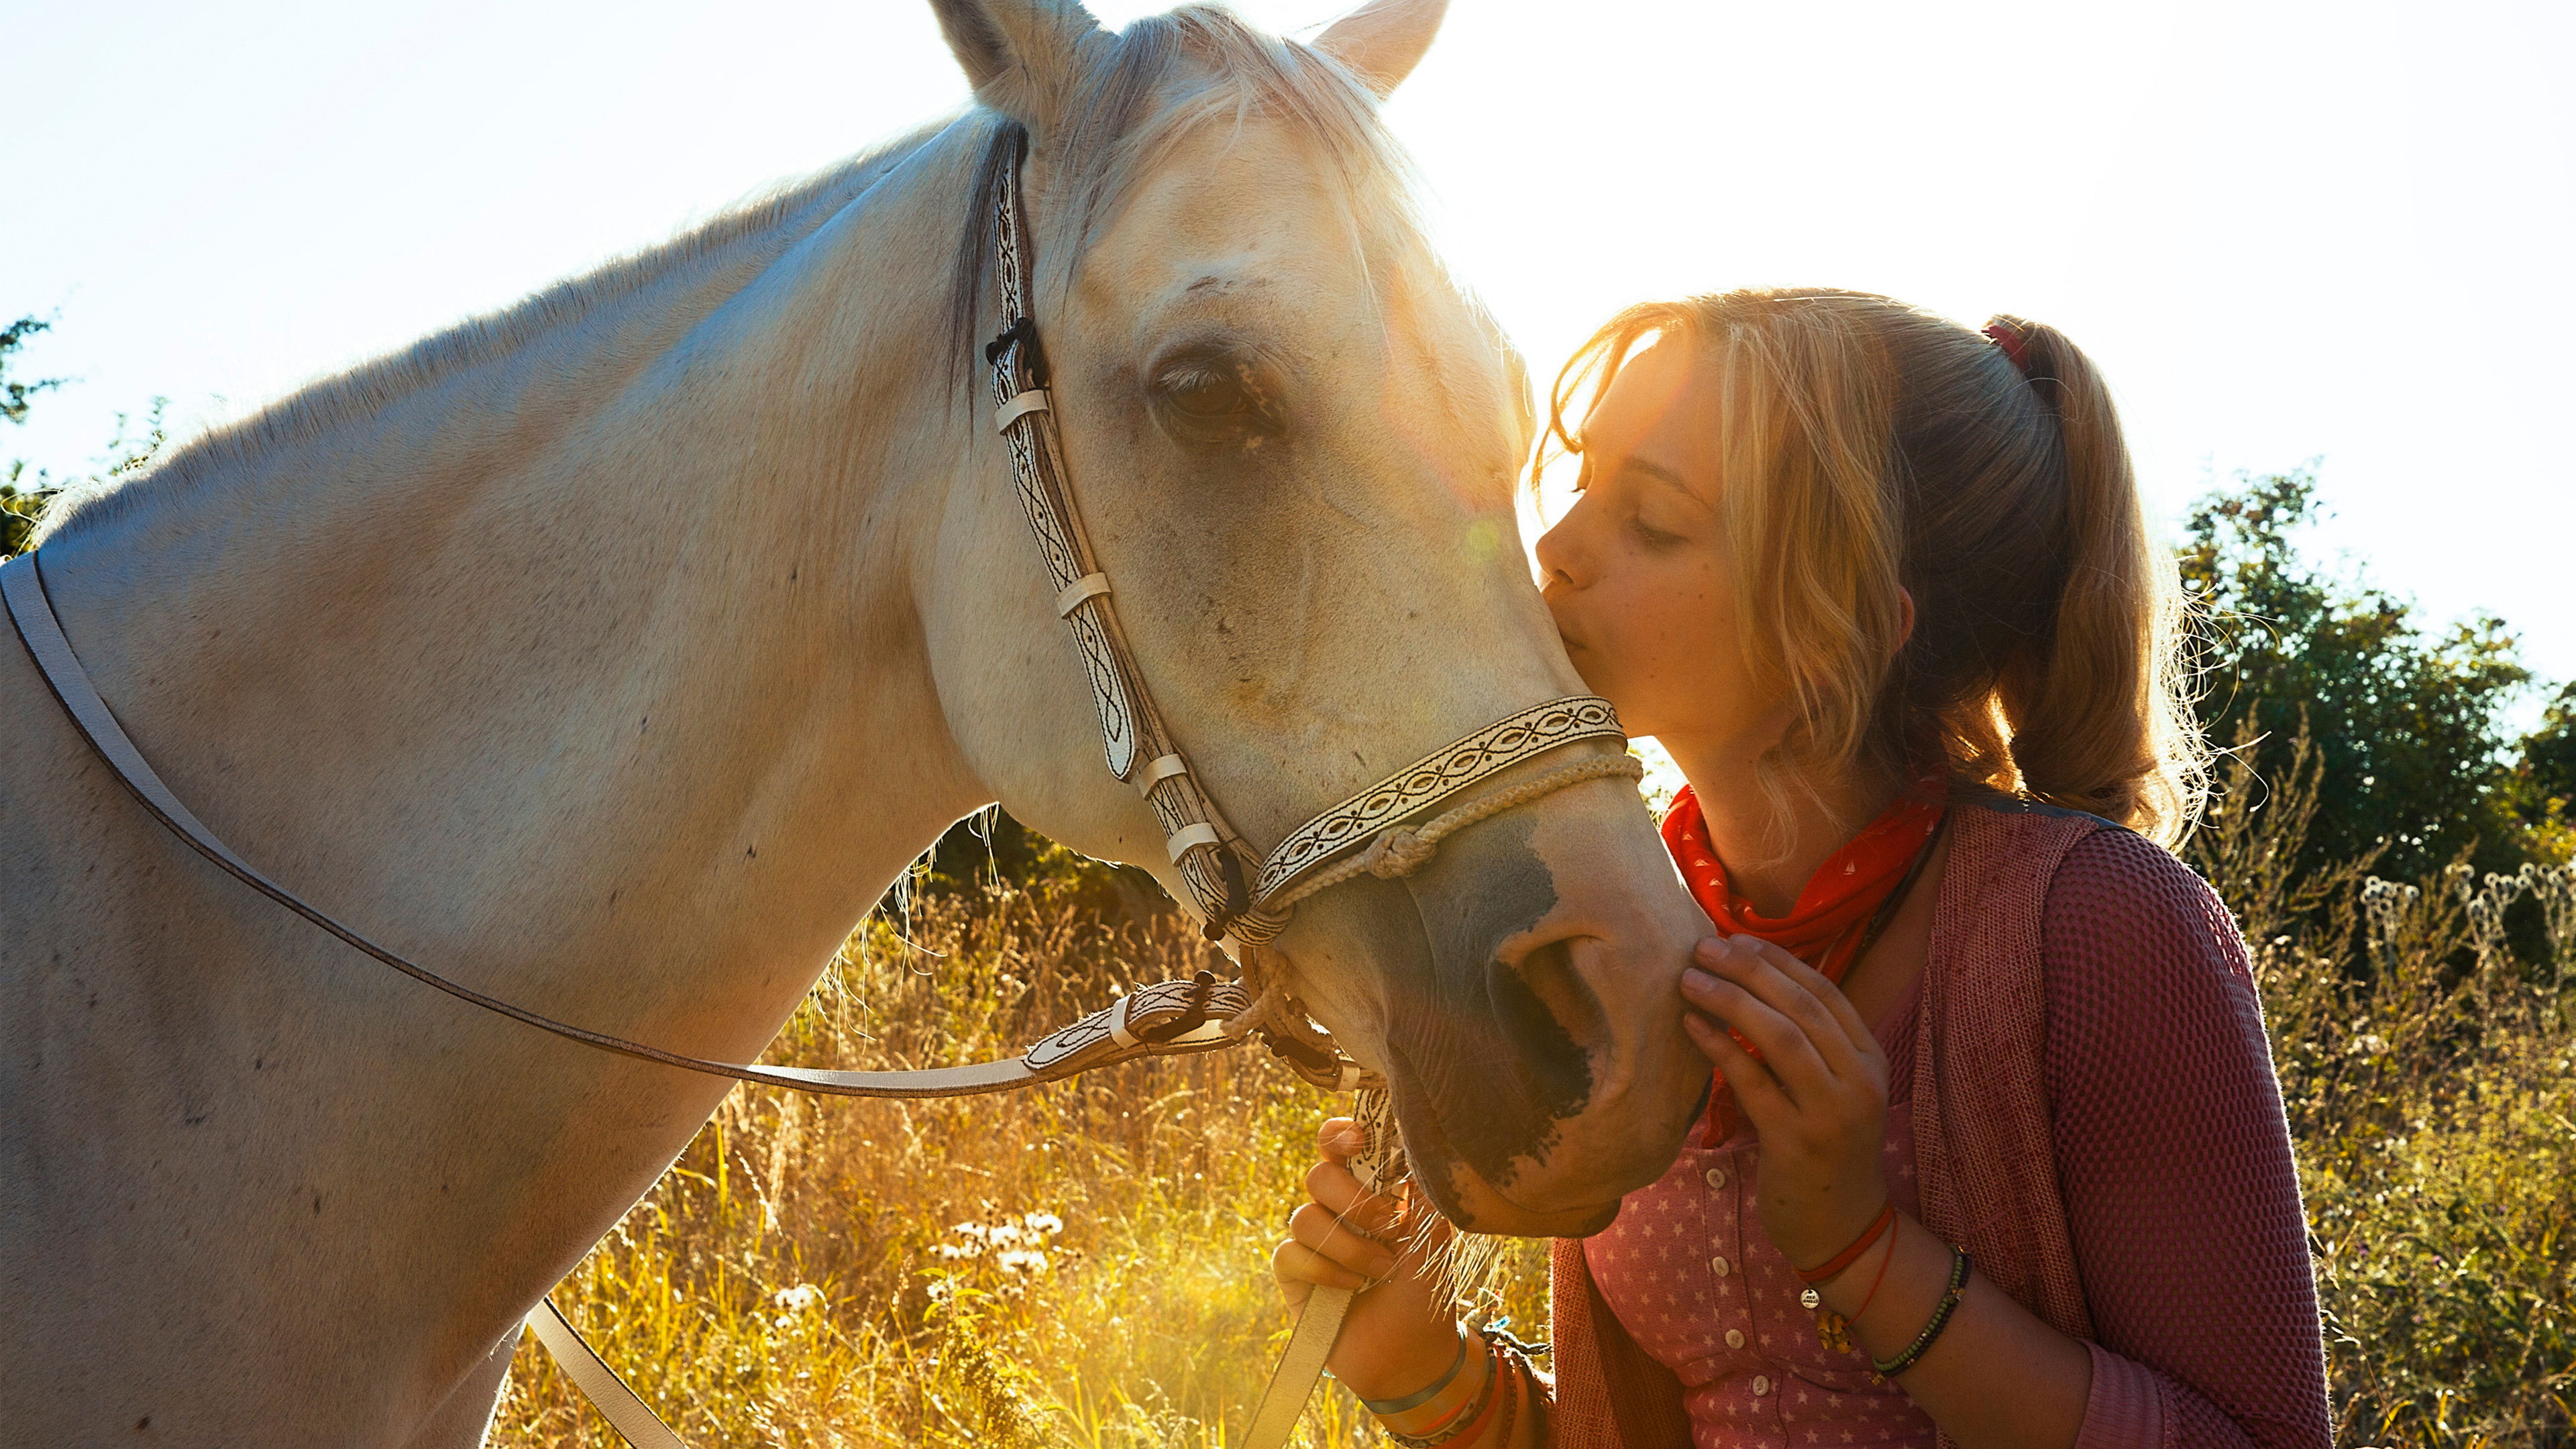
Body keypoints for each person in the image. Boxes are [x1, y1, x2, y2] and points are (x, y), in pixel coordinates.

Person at [1270, 288, 2332, 1449]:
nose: (1556, 551)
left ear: (1845, 625)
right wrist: (1420, 1369)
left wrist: (1865, 1253)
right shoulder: (1621, 933)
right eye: (1579, 487)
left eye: (1652, 522)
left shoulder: (2100, 927)